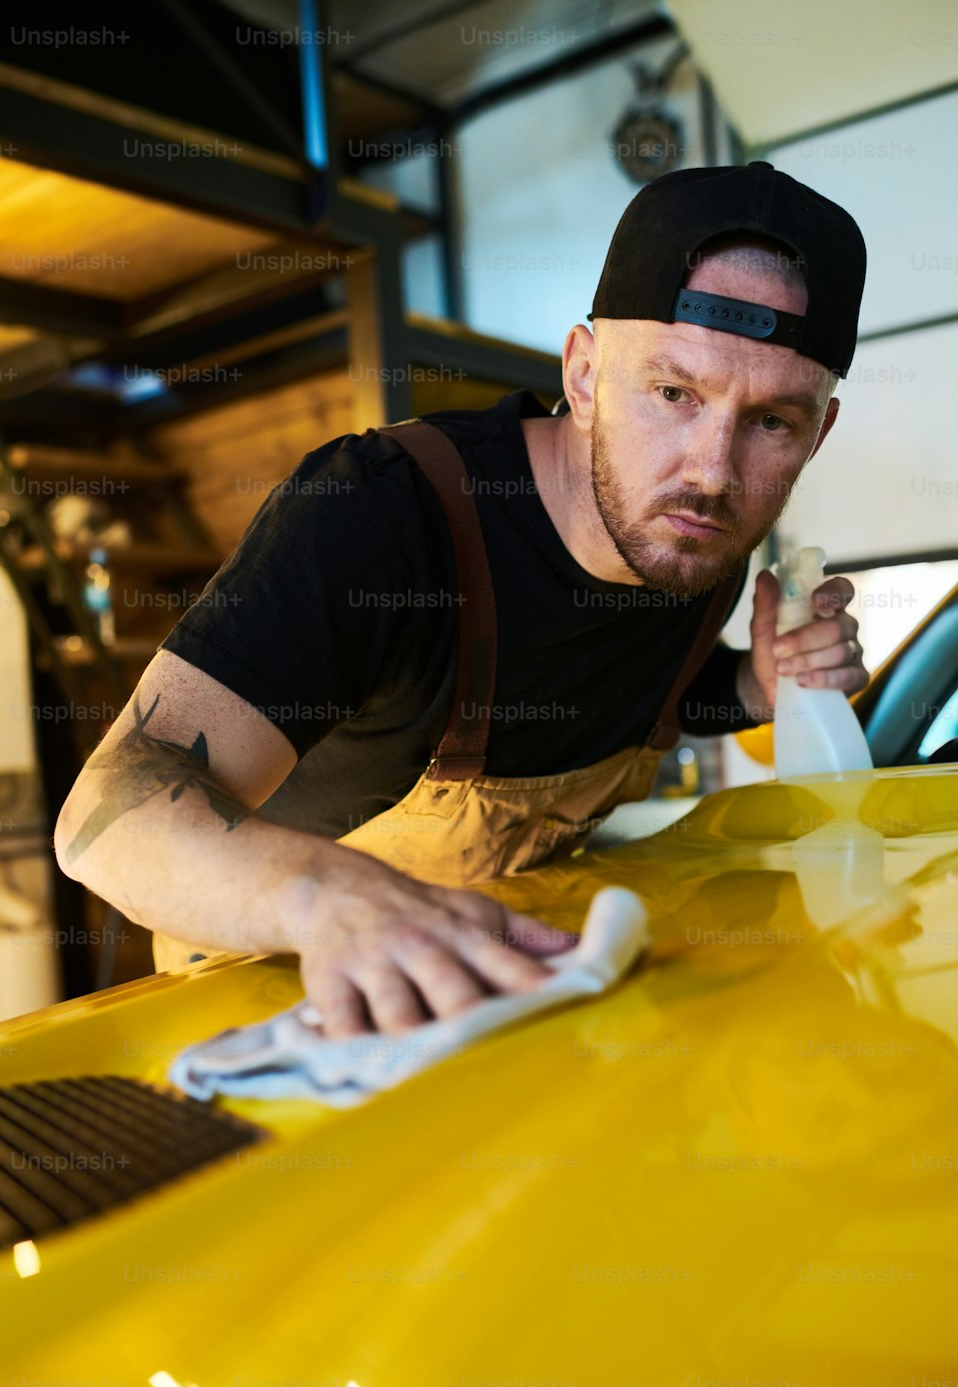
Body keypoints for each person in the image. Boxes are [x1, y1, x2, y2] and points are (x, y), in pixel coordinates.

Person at [55, 161, 870, 1034]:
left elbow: (625, 688)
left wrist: (753, 686)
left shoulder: (693, 548)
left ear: (816, 434)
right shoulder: (382, 516)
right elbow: (109, 813)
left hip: (501, 1011)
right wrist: (331, 897)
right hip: (276, 1015)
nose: (711, 471)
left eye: (771, 423)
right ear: (586, 372)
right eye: (674, 392)